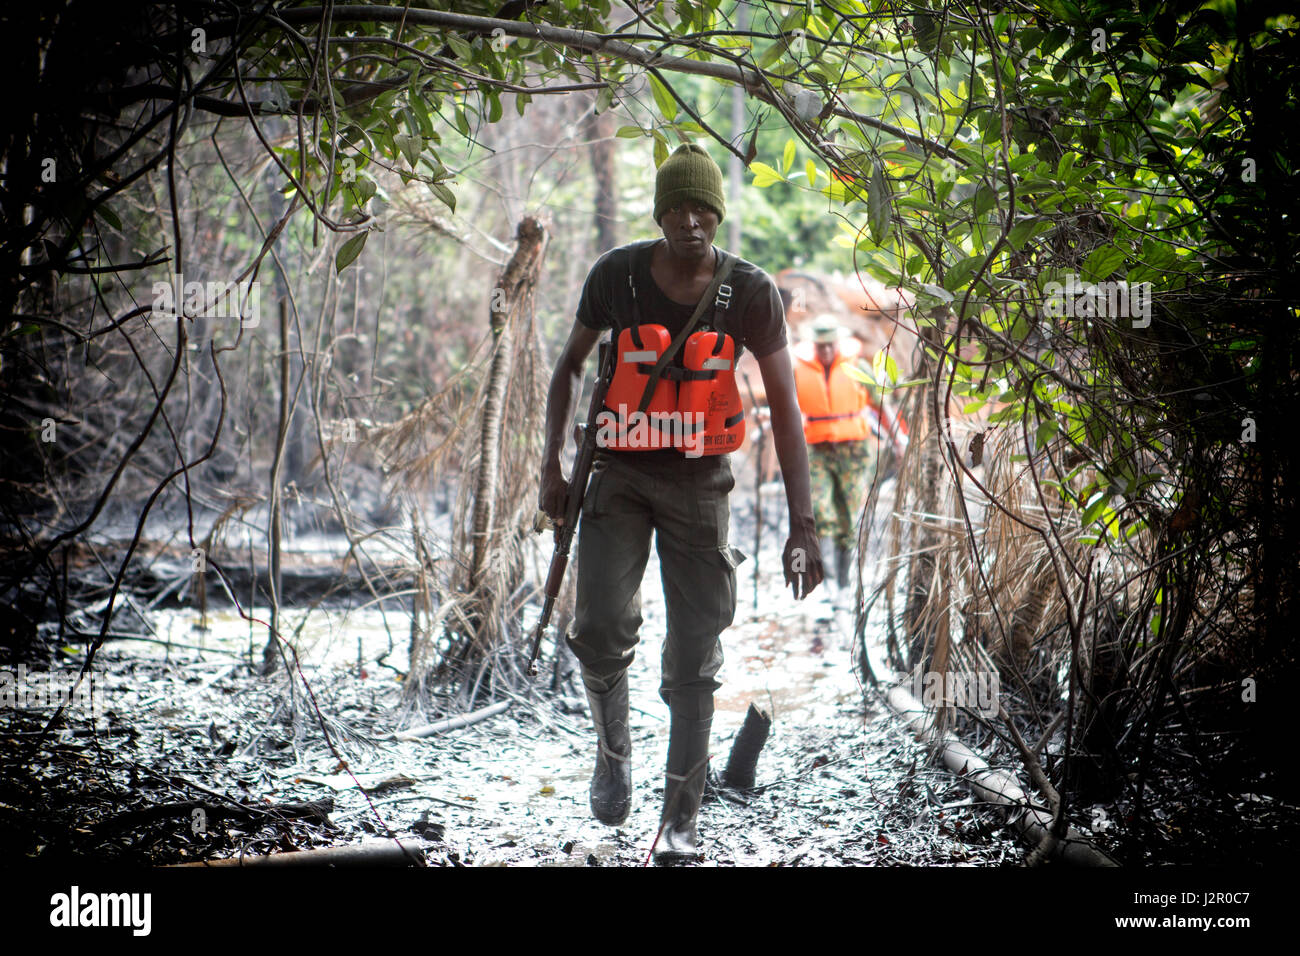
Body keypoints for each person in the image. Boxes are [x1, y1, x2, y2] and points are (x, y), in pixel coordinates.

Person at [538, 143, 823, 863]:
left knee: (695, 650)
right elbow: (570, 364)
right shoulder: (618, 276)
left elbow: (788, 409)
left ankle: (680, 821)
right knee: (599, 627)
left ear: (718, 215)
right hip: (619, 474)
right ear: (660, 212)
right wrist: (550, 464)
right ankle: (613, 754)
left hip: (701, 481)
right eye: (677, 208)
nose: (690, 221)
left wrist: (803, 524)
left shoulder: (750, 292)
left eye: (703, 209)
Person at [793, 315, 878, 591]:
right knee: (820, 510)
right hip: (817, 448)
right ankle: (826, 581)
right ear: (814, 346)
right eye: (821, 346)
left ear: (838, 343)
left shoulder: (859, 367)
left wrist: (900, 440)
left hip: (853, 449)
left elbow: (882, 403)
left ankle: (844, 582)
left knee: (849, 517)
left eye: (830, 345)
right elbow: (787, 407)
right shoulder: (799, 371)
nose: (826, 351)